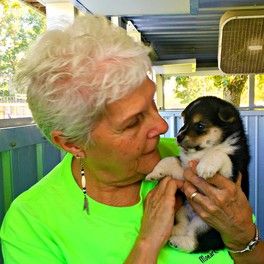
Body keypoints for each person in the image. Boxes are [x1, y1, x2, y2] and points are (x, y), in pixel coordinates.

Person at [0, 15, 263, 264]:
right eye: (133, 122)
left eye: (152, 103)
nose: (161, 126)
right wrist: (147, 243)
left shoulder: (195, 160)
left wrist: (242, 236)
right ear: (72, 143)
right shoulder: (31, 225)